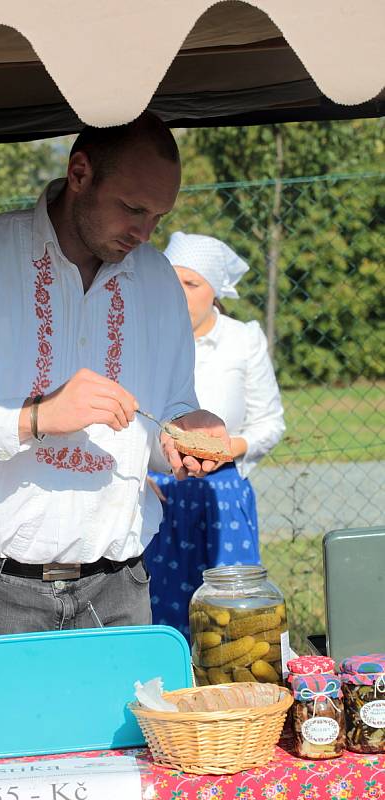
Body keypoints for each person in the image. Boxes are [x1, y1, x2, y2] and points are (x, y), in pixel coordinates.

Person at [0, 114, 230, 685]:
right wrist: (32, 419)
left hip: (119, 591)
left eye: (160, 217)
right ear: (79, 173)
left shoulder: (156, 279)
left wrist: (186, 433)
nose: (145, 234)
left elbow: (165, 418)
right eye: (133, 209)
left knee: (123, 774)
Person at [145, 232, 285, 636]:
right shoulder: (145, 339)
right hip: (158, 492)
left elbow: (270, 423)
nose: (179, 294)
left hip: (221, 495)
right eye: (171, 282)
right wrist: (139, 473)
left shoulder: (242, 341)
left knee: (230, 618)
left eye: (192, 284)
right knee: (160, 608)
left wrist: (227, 449)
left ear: (215, 291)